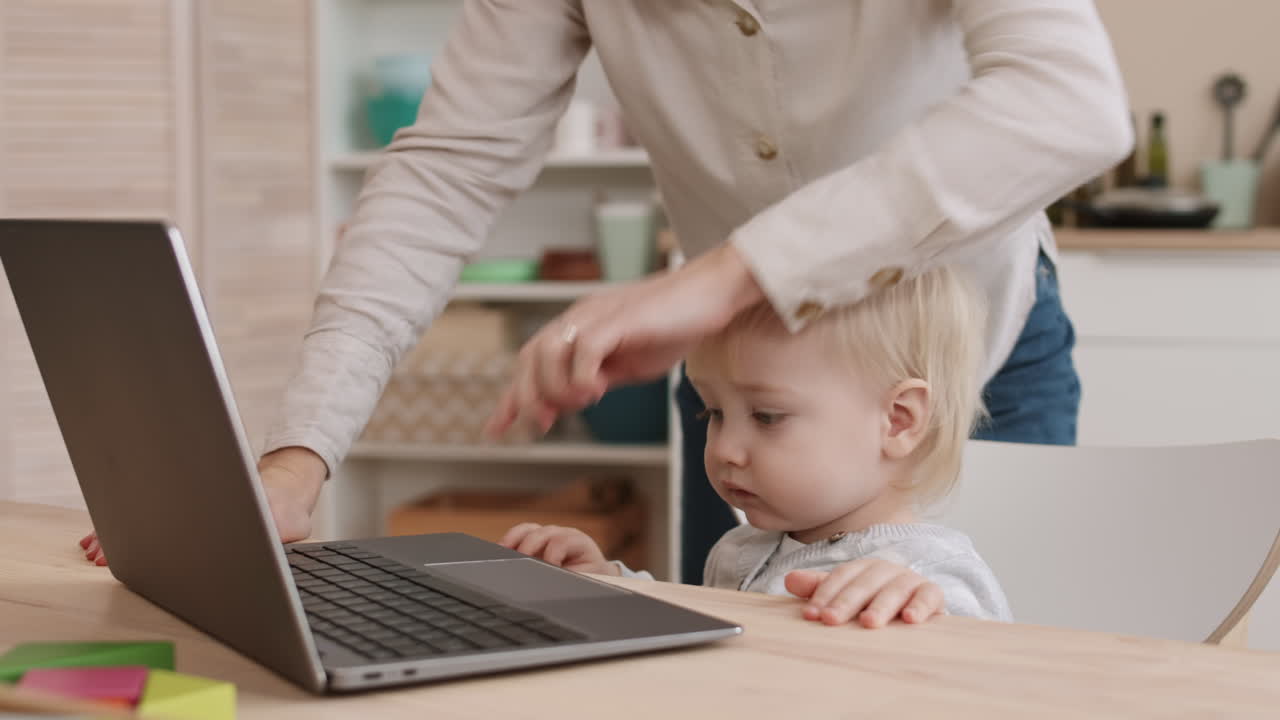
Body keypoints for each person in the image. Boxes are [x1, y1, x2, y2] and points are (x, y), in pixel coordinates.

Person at [79, 2, 1132, 574]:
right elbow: (446, 170)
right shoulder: (742, 432)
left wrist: (727, 279)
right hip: (731, 368)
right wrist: (295, 457)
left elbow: (1070, 107)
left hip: (973, 341)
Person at [501, 265, 1011, 625]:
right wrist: (612, 581)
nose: (725, 448)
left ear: (898, 421)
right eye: (713, 413)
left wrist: (924, 613)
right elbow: (708, 634)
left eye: (767, 416)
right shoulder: (741, 551)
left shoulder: (933, 573)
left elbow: (996, 676)